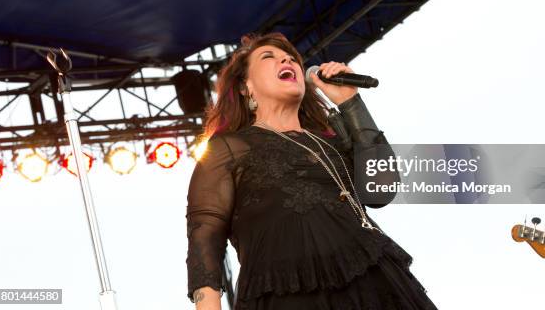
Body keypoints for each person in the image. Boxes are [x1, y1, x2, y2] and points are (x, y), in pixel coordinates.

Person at [186, 32, 438, 309]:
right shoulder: (229, 147)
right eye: (268, 57)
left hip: (374, 285)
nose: (286, 59)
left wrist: (350, 101)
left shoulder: (331, 142)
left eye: (292, 58)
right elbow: (204, 238)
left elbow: (381, 190)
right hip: (287, 295)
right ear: (246, 87)